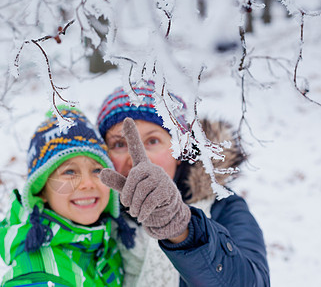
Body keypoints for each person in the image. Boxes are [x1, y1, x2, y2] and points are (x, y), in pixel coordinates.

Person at [96, 81, 270, 287]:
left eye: (152, 141)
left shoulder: (224, 207)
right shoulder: (98, 214)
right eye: (119, 144)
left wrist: (181, 229)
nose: (136, 158)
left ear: (179, 151)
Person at [0, 107, 135, 287]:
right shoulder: (39, 277)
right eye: (69, 171)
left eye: (97, 170)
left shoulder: (104, 243)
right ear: (41, 191)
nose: (87, 183)